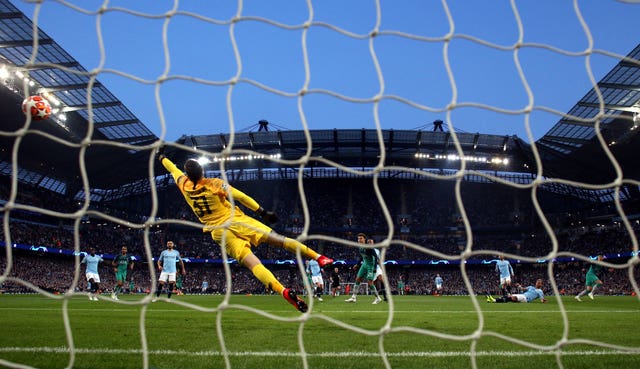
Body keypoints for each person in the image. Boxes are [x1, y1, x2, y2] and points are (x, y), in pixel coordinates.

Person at [157, 151, 333, 313]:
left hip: (218, 232)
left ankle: (283, 291)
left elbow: (172, 168)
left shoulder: (183, 184)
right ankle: (319, 257)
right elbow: (240, 196)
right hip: (236, 220)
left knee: (253, 264)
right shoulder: (214, 184)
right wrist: (262, 212)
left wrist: (161, 157)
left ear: (187, 175)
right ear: (202, 170)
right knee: (280, 240)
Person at [345, 233, 382, 304]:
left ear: (364, 239)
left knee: (370, 282)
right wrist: (357, 264)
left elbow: (375, 257)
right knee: (357, 279)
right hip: (364, 264)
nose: (359, 240)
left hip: (371, 265)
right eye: (358, 238)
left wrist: (374, 267)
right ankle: (353, 297)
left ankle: (378, 298)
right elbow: (362, 256)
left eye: (361, 238)